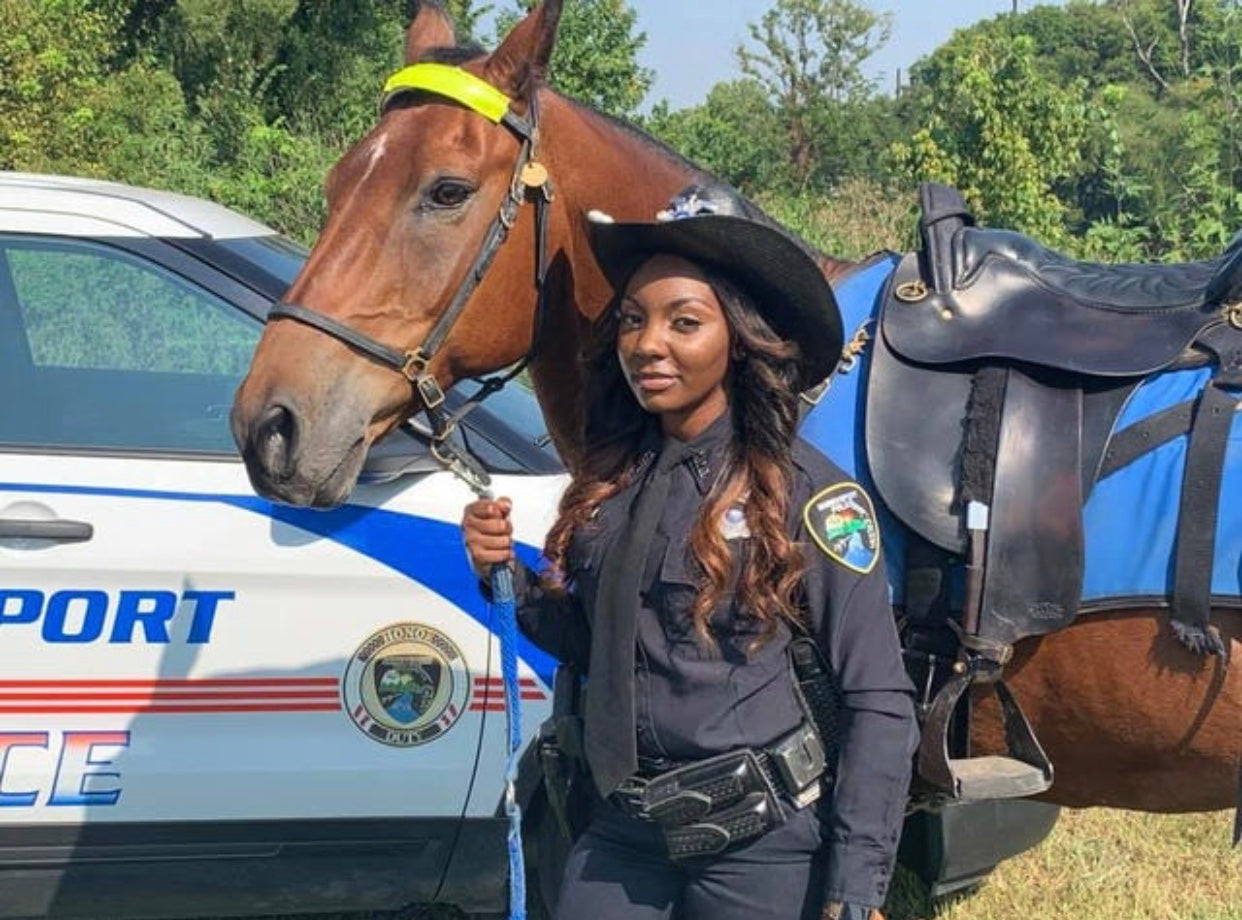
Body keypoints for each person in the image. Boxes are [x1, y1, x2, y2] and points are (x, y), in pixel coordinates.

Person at [461, 183, 919, 920]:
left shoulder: (812, 499)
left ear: (736, 338)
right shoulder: (609, 484)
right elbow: (594, 645)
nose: (649, 344)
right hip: (622, 835)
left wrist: (855, 886)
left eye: (684, 322)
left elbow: (879, 699)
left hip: (761, 848)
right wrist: (503, 577)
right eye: (634, 322)